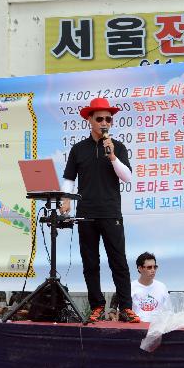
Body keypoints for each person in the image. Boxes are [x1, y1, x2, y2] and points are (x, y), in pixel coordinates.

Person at [60, 97, 139, 324]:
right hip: (86, 212)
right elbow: (69, 177)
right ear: (90, 120)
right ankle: (96, 306)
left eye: (109, 119)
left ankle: (125, 306)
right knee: (90, 263)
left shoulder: (118, 147)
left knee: (118, 262)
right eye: (100, 118)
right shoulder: (79, 149)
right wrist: (66, 198)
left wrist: (112, 155)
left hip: (111, 212)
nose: (105, 122)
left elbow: (127, 177)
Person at [130, 252, 170, 323]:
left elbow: (168, 312)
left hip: (157, 328)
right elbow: (123, 313)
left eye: (155, 267)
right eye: (149, 267)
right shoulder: (130, 287)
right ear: (140, 268)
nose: (153, 270)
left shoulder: (162, 287)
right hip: (136, 329)